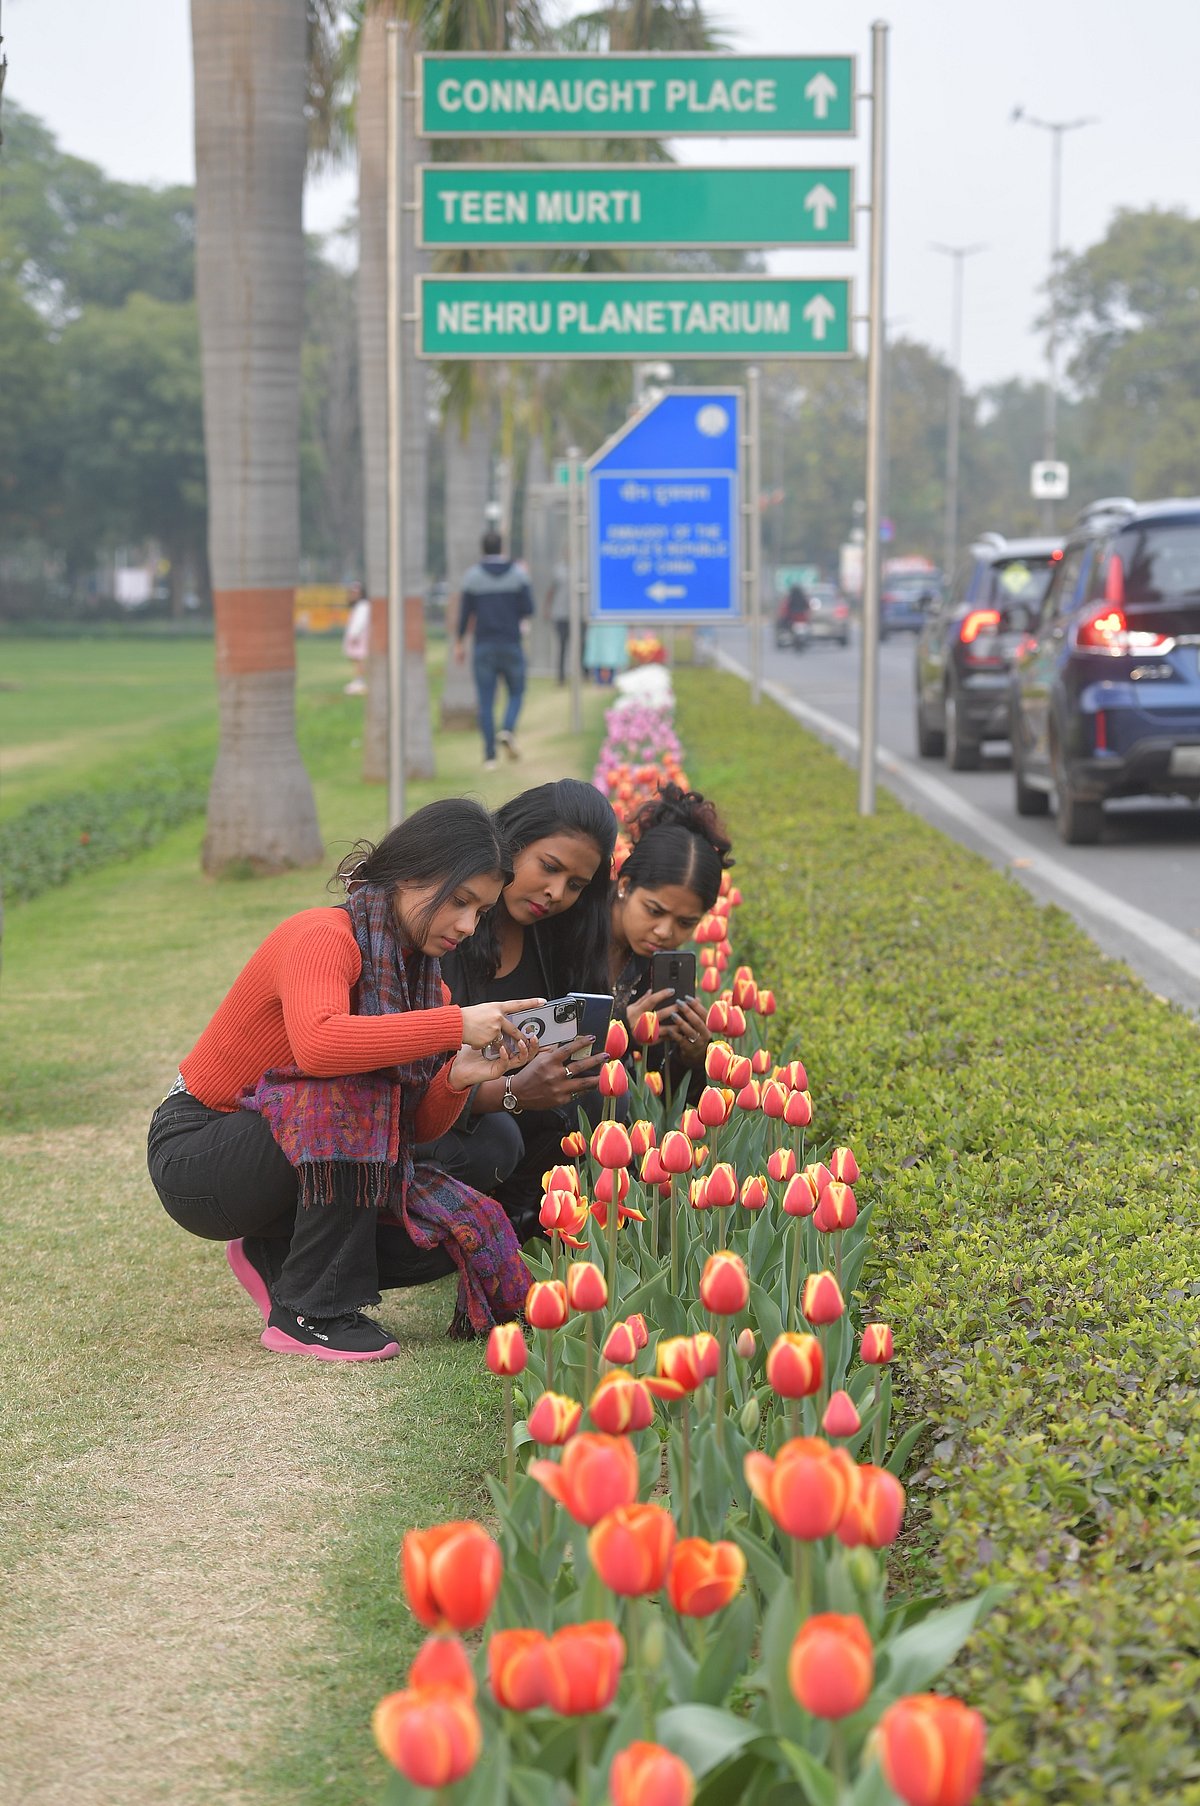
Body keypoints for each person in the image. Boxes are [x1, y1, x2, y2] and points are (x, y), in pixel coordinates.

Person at [146, 800, 545, 1362]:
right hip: (200, 1154)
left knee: (446, 1236)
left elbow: (411, 1127)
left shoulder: (423, 983)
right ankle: (310, 1312)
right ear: (408, 874)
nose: (467, 926)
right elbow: (320, 1045)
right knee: (347, 1094)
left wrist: (457, 1077)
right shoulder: (322, 935)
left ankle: (275, 1255)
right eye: (458, 901)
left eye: (480, 911)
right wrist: (453, 1025)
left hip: (281, 1156)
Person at [425, 779, 620, 1235]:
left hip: (517, 1102)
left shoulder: (555, 939)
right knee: (497, 1139)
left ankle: (528, 1225)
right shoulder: (448, 926)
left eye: (575, 884)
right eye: (549, 867)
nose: (556, 892)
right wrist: (509, 1091)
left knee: (604, 1093)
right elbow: (412, 1077)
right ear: (509, 843)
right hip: (435, 1111)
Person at [608, 785, 734, 1095]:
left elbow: (659, 1094)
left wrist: (692, 1056)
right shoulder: (572, 931)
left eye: (685, 922)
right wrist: (622, 1027)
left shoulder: (657, 971)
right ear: (625, 885)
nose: (665, 932)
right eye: (654, 910)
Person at [455, 528, 534, 770]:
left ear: (483, 549)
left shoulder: (472, 577)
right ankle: (507, 729)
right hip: (511, 642)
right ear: (502, 548)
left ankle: (489, 756)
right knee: (517, 692)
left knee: (486, 701)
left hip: (484, 645)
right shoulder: (518, 575)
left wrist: (459, 642)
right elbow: (529, 608)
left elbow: (464, 614)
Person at [545, 558, 571, 685]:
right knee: (562, 645)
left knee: (582, 645)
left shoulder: (582, 568)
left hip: (578, 614)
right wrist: (547, 608)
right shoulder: (558, 570)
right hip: (561, 614)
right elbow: (551, 590)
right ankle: (561, 676)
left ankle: (585, 674)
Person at [342, 580, 370, 694]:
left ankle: (360, 682)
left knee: (359, 660)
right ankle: (358, 681)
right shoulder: (359, 606)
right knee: (356, 660)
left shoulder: (363, 606)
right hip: (357, 637)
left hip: (359, 638)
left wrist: (354, 635)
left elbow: (359, 623)